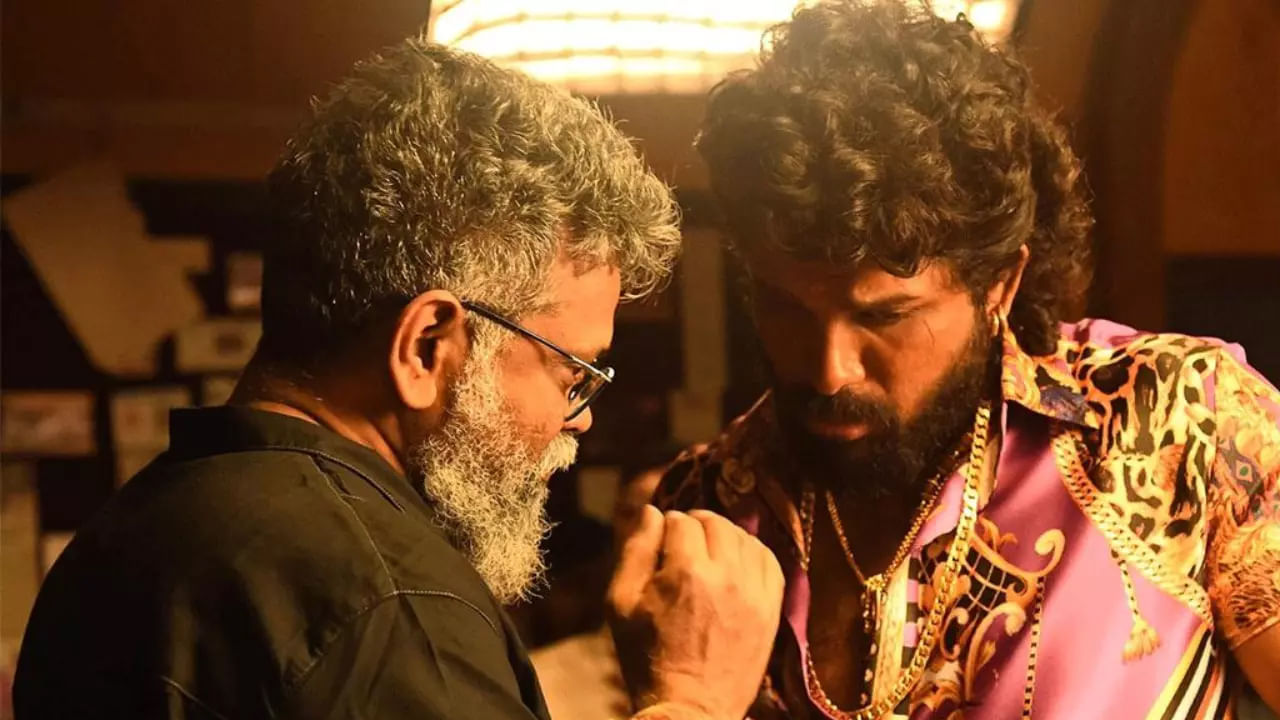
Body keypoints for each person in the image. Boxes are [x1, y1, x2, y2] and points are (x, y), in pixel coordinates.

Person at [13, 39, 783, 720]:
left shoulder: (125, 537)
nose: (579, 418)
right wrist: (691, 700)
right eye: (571, 373)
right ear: (426, 348)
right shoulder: (389, 607)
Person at [654, 1, 1280, 718]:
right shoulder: (705, 508)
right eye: (787, 308)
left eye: (884, 316)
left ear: (999, 285)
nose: (829, 370)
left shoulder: (1180, 418)